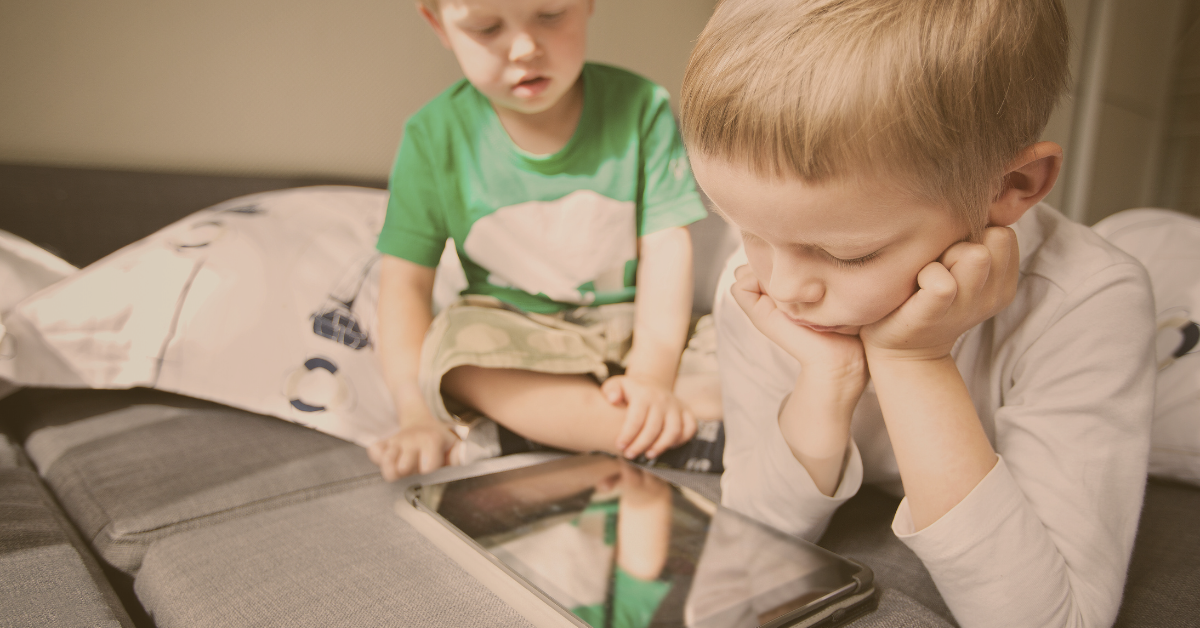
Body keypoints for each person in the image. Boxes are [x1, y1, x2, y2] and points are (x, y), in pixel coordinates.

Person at [678, 1, 1155, 627]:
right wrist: (828, 384)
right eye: (744, 229)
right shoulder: (768, 278)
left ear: (1013, 187)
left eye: (846, 254)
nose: (784, 286)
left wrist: (914, 361)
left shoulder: (1094, 299)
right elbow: (753, 525)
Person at [367, 0, 722, 480]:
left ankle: (548, 430)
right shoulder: (432, 136)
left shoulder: (642, 107)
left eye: (551, 15)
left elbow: (665, 247)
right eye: (487, 28)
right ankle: (669, 433)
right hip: (519, 338)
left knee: (747, 347)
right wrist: (416, 416)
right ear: (439, 25)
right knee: (453, 354)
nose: (525, 47)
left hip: (636, 331)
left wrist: (651, 376)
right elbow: (405, 283)